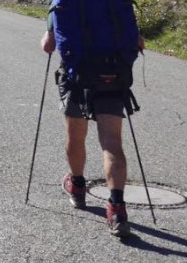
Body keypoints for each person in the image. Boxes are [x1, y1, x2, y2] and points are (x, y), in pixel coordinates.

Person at [41, 26, 144, 237]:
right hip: (113, 76)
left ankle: (77, 186)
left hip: (76, 78)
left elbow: (48, 45)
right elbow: (139, 42)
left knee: (76, 137)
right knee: (112, 143)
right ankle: (117, 210)